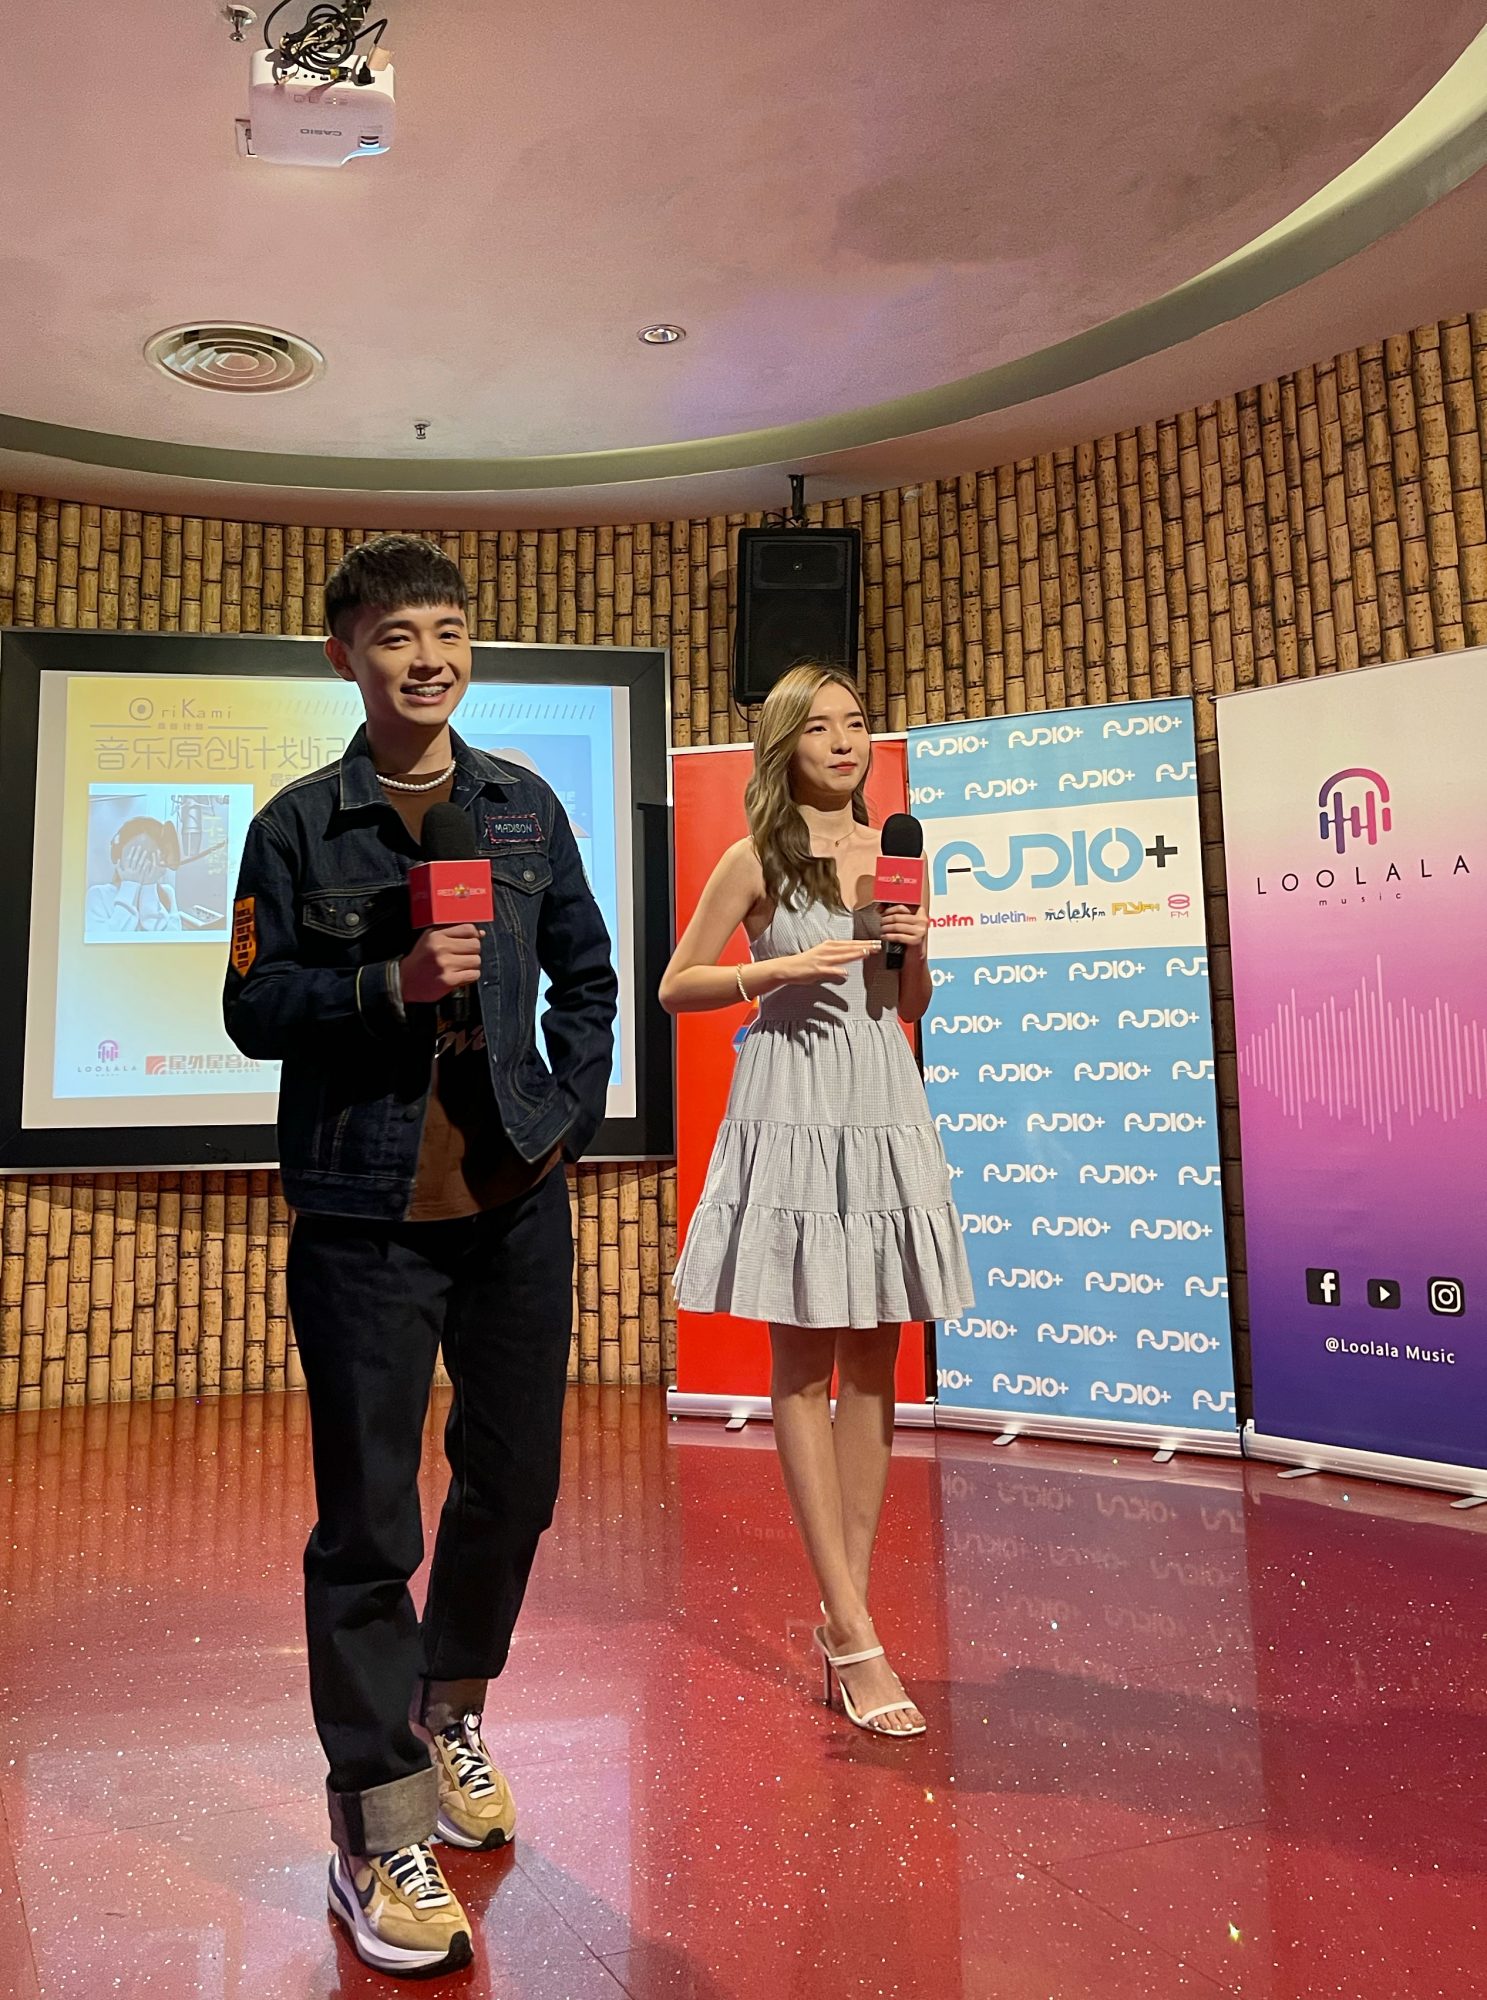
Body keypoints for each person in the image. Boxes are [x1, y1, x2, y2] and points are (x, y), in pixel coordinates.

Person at [223, 535, 617, 1979]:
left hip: (514, 1199)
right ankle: (375, 1829)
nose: (428, 656)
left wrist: (564, 1118)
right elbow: (252, 1008)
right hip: (361, 1217)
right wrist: (383, 984)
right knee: (369, 1525)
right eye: (396, 634)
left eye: (446, 630)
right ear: (345, 655)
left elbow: (588, 976)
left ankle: (452, 1710)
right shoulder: (296, 823)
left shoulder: (521, 807)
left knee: (516, 1484)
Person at [662, 664, 972, 1737]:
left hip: (879, 1092)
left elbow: (905, 1003)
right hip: (790, 1097)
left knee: (875, 1356)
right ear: (784, 743)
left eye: (856, 724)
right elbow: (676, 984)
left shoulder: (894, 857)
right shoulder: (754, 857)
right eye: (820, 726)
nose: (844, 741)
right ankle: (851, 1628)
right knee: (800, 1361)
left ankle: (848, 1613)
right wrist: (770, 976)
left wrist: (912, 948)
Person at [85, 817, 183, 934]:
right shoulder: (98, 894)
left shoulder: (167, 892)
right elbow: (105, 941)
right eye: (136, 856)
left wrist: (149, 887)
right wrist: (129, 886)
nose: (142, 863)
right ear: (119, 855)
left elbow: (170, 940)